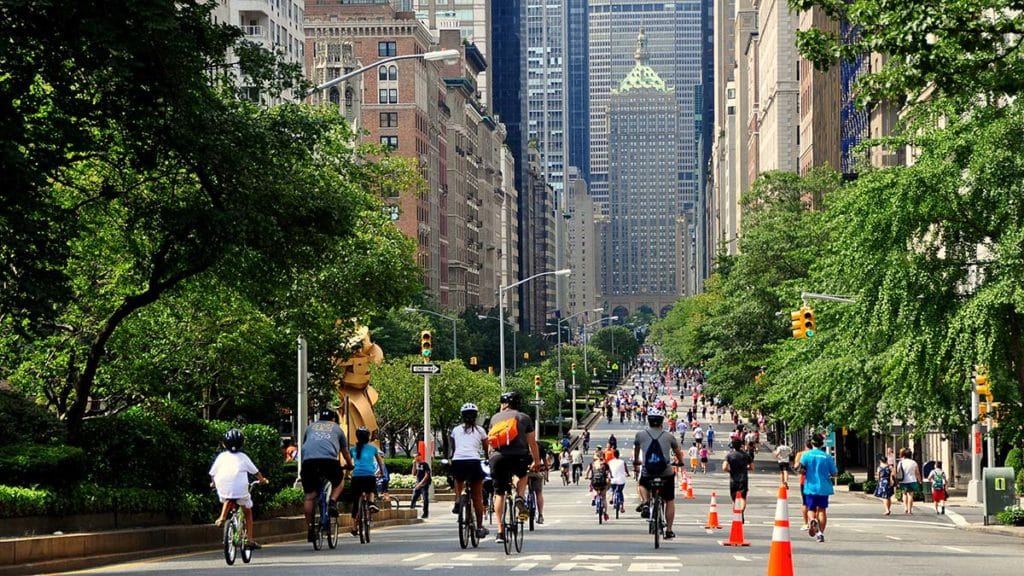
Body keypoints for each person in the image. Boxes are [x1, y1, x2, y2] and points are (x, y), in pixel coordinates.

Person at [488, 391, 542, 544]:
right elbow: (532, 443)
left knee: (499, 494)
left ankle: (500, 531)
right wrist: (536, 461)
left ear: (504, 404)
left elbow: (490, 443)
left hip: (497, 457)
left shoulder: (495, 418)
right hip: (519, 456)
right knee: (523, 474)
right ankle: (519, 495)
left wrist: (490, 460)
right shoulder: (524, 417)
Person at [300, 410, 354, 543]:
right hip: (328, 461)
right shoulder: (337, 429)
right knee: (339, 482)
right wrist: (349, 464)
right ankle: (333, 501)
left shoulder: (310, 427)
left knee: (309, 497)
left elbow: (306, 446)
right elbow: (345, 451)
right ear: (333, 419)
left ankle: (310, 528)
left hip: (309, 462)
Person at [633, 407, 687, 539]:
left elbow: (636, 450)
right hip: (666, 472)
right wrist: (680, 462)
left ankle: (645, 501)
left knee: (642, 483)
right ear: (662, 422)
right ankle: (669, 529)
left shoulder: (640, 435)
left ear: (649, 421)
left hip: (648, 471)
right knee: (669, 500)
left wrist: (636, 461)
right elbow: (678, 452)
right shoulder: (669, 436)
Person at [210, 429, 269, 549]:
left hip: (222, 486)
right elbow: (256, 472)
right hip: (240, 489)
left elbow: (212, 473)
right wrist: (262, 480)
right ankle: (249, 540)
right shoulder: (243, 457)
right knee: (247, 511)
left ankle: (222, 517)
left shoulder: (221, 457)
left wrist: (213, 483)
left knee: (228, 496)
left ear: (224, 444)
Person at [449, 402, 489, 538]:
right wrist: (488, 459)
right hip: (474, 461)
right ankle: (479, 527)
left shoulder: (455, 430)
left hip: (458, 461)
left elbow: (453, 449)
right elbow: (486, 449)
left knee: (458, 480)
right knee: (477, 497)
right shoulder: (481, 431)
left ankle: (458, 499)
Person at [798, 433, 837, 543]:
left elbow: (801, 469)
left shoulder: (806, 455)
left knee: (811, 509)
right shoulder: (827, 456)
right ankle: (820, 534)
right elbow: (834, 472)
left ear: (812, 443)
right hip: (824, 487)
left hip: (810, 486)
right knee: (822, 510)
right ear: (822, 444)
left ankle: (812, 520)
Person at [349, 426, 385, 532]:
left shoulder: (352, 449)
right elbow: (380, 462)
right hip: (369, 476)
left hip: (356, 477)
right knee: (371, 490)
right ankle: (371, 504)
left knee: (356, 502)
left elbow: (349, 464)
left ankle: (354, 527)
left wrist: (347, 474)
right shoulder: (373, 449)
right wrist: (382, 473)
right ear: (368, 437)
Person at [723, 438, 753, 522]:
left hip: (733, 479)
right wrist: (746, 468)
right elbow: (752, 467)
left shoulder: (729, 455)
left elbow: (724, 467)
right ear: (741, 445)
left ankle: (736, 513)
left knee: (734, 499)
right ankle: (741, 512)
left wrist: (730, 470)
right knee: (743, 498)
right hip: (743, 479)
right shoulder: (746, 455)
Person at [586, 451, 611, 521]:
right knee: (604, 498)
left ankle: (595, 497)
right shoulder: (605, 464)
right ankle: (605, 513)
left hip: (595, 483)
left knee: (594, 488)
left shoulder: (592, 464)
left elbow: (587, 472)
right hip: (603, 483)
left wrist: (586, 476)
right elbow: (610, 472)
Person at [528, 441, 548, 524]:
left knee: (519, 489)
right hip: (536, 472)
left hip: (524, 473)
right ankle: (540, 515)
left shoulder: (521, 445)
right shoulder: (540, 446)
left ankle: (520, 501)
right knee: (538, 492)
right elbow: (545, 462)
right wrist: (546, 468)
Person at [895, 448, 921, 515]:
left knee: (904, 494)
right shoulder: (914, 462)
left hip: (903, 481)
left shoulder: (901, 462)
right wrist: (919, 480)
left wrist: (897, 481)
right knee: (910, 495)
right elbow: (917, 472)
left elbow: (898, 472)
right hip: (912, 480)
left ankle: (905, 507)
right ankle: (910, 510)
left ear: (904, 455)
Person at [409, 452, 433, 519]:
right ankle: (411, 510)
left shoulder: (425, 464)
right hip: (418, 484)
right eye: (414, 457)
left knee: (425, 499)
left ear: (420, 456)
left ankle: (425, 513)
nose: (415, 458)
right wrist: (413, 464)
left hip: (424, 484)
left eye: (416, 456)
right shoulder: (416, 464)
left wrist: (421, 483)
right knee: (414, 498)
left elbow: (427, 475)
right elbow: (413, 474)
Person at [607, 448, 630, 514]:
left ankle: (612, 497)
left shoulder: (610, 462)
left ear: (613, 455)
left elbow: (608, 470)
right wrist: (628, 474)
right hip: (621, 480)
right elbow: (626, 470)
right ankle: (622, 507)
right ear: (619, 455)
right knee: (620, 491)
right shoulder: (622, 462)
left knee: (612, 488)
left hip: (613, 480)